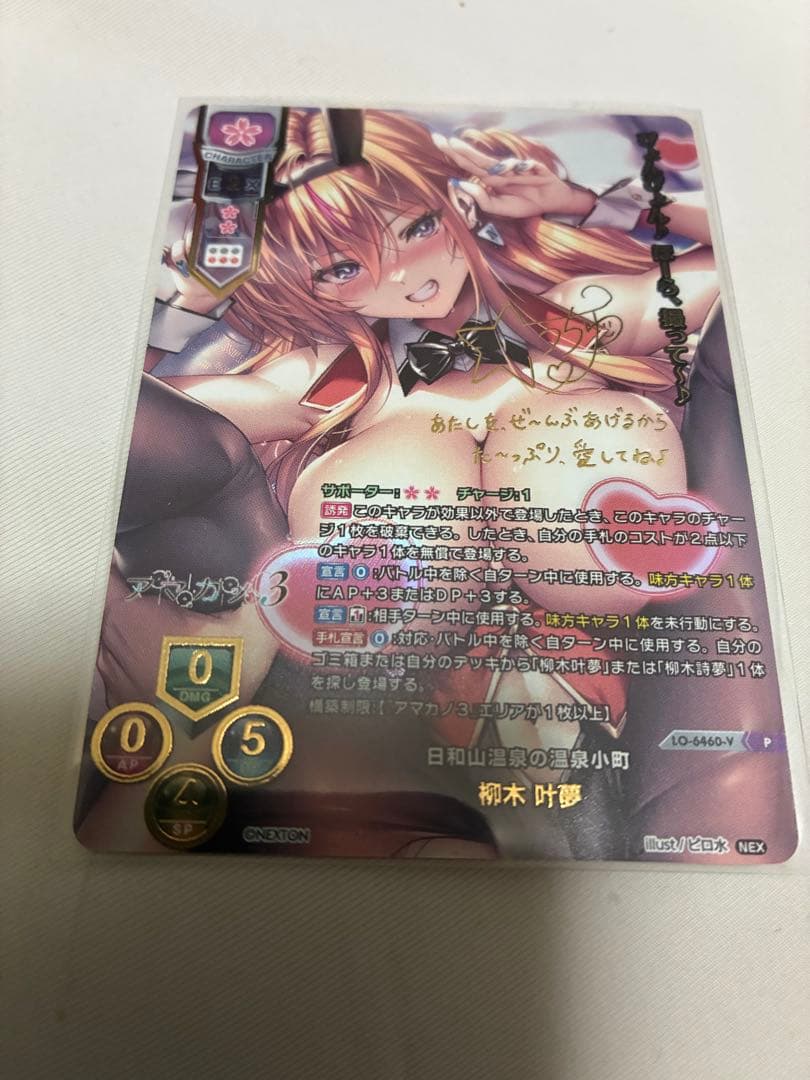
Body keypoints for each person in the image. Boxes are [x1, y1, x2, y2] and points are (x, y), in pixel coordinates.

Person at [101, 109, 721, 857]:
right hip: (404, 579)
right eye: (344, 268)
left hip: (567, 497)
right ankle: (362, 583)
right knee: (401, 466)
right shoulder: (338, 372)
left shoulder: (570, 311)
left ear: (455, 203)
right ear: (311, 287)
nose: (402, 272)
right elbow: (154, 418)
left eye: (417, 227)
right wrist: (190, 301)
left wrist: (583, 204)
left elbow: (728, 273)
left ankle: (618, 534)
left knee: (582, 433)